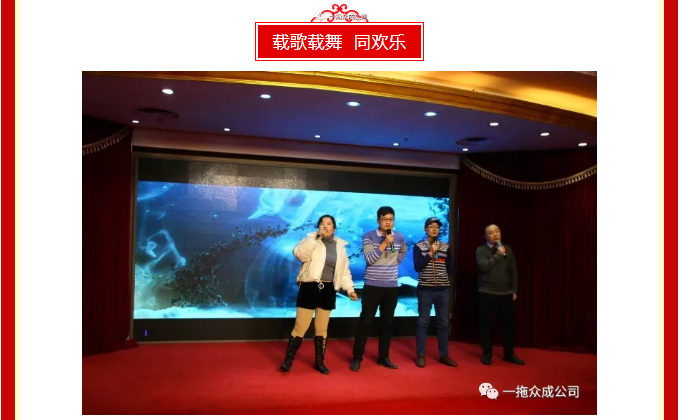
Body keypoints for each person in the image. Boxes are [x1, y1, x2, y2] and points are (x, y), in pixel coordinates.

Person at [280, 215, 358, 374]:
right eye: (322, 223)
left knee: (322, 328)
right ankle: (288, 360)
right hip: (309, 286)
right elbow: (299, 254)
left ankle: (319, 362)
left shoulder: (340, 247)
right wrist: (314, 238)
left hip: (328, 289)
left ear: (334, 228)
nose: (325, 226)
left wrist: (350, 289)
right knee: (301, 325)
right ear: (318, 226)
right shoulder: (311, 240)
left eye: (329, 224)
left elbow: (343, 271)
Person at [350, 206, 407, 371]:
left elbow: (402, 252)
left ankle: (384, 358)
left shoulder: (399, 237)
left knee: (387, 324)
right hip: (372, 286)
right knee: (365, 323)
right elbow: (369, 259)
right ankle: (357, 358)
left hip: (391, 287)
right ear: (378, 220)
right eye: (384, 219)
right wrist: (385, 243)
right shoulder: (369, 236)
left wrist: (393, 263)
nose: (388, 222)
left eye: (391, 219)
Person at [475, 224, 525, 366]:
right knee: (486, 325)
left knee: (508, 325)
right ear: (486, 236)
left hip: (506, 292)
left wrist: (514, 290)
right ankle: (487, 353)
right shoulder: (481, 250)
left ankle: (509, 354)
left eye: (497, 231)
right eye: (491, 233)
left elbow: (513, 270)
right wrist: (497, 254)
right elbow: (484, 267)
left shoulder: (507, 249)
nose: (495, 234)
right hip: (487, 292)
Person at [412, 217, 457, 368]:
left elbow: (449, 268)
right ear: (425, 229)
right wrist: (430, 254)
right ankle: (421, 354)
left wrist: (442, 280)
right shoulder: (419, 247)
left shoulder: (445, 247)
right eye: (431, 226)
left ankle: (444, 355)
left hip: (443, 290)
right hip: (425, 289)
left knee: (443, 323)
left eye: (437, 227)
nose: (434, 229)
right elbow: (417, 267)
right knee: (423, 322)